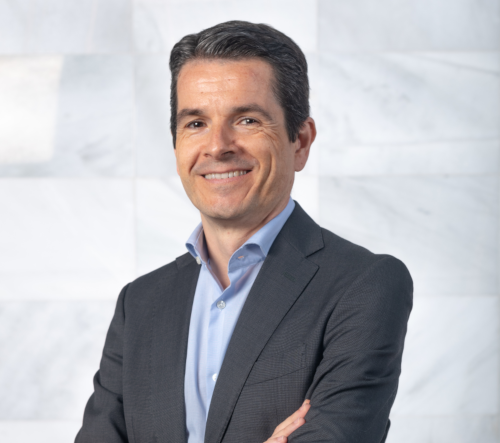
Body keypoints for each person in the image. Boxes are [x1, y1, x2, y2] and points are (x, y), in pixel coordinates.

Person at [75, 21, 413, 443]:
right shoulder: (140, 304)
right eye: (196, 123)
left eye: (247, 119)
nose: (217, 146)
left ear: (300, 141)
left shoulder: (363, 285)